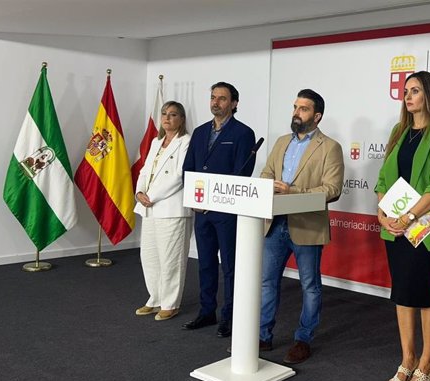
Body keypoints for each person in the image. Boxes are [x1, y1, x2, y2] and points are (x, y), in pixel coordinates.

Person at [375, 71, 430, 381]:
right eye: (405, 91)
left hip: (428, 224)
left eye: (415, 91)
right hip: (396, 226)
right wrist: (383, 214)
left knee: (424, 291)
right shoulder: (399, 131)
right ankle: (407, 359)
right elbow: (384, 179)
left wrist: (409, 216)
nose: (408, 96)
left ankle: (426, 364)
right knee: (402, 292)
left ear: (429, 95)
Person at [258, 89, 344, 364]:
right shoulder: (282, 142)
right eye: (295, 107)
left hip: (306, 224)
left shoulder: (330, 147)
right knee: (267, 282)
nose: (296, 112)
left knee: (309, 285)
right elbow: (266, 174)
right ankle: (262, 336)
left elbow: (332, 189)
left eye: (303, 108)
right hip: (274, 223)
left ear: (317, 116)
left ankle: (303, 340)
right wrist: (268, 184)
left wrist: (293, 191)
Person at [181, 82, 256, 338]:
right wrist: (192, 198)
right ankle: (206, 311)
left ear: (234, 103)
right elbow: (189, 168)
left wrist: (217, 200)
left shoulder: (243, 133)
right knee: (205, 263)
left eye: (222, 99)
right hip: (200, 211)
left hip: (226, 213)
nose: (216, 102)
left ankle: (230, 316)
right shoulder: (200, 132)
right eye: (213, 97)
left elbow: (241, 173)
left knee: (231, 266)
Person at [134, 101, 192, 321]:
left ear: (182, 119)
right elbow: (144, 171)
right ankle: (155, 298)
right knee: (149, 256)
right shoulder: (156, 142)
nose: (167, 118)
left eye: (173, 114)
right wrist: (139, 193)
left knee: (171, 259)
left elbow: (179, 176)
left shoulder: (186, 142)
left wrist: (153, 197)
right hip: (149, 208)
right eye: (164, 114)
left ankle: (170, 303)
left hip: (171, 208)